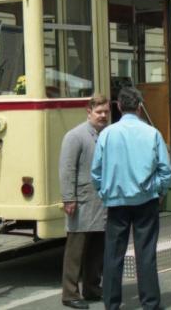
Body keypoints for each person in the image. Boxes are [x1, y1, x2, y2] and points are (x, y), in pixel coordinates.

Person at [91, 86, 171, 310]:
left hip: (116, 203)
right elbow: (166, 171)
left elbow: (96, 171)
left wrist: (103, 191)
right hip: (145, 201)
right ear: (139, 107)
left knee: (113, 255)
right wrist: (159, 190)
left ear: (118, 106)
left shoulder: (107, 134)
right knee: (145, 254)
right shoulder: (152, 133)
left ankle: (112, 304)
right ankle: (151, 304)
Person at [58, 94, 111, 309]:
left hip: (101, 202)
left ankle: (91, 287)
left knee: (97, 249)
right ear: (88, 112)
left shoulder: (107, 134)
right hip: (81, 201)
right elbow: (66, 169)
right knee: (76, 250)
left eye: (106, 112)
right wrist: (68, 198)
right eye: (99, 112)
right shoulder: (75, 136)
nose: (103, 116)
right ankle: (70, 293)